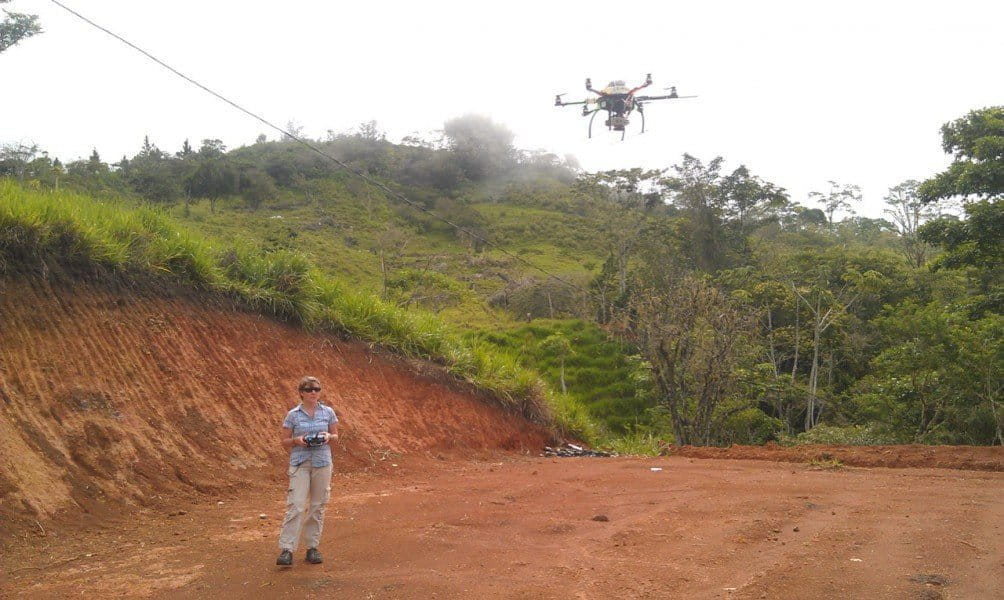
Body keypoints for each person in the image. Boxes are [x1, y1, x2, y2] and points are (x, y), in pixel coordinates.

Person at [276, 376, 339, 567]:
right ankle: (287, 549)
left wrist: (328, 436)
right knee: (295, 505)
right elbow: (284, 441)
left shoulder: (328, 412)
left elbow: (336, 436)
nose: (314, 392)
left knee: (318, 505)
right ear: (301, 392)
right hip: (300, 463)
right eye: (309, 389)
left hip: (322, 462)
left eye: (317, 389)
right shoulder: (293, 415)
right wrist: (296, 441)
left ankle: (312, 547)